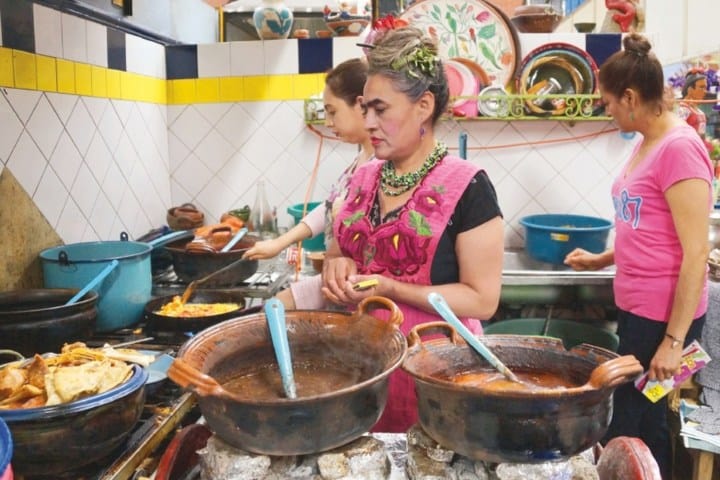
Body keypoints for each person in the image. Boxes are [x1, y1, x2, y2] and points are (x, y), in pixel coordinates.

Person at [321, 26, 504, 433]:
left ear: (423, 106)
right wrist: (335, 265)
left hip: (437, 378)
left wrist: (392, 289)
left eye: (380, 109)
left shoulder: (469, 186)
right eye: (364, 108)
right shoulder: (362, 178)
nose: (368, 121)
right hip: (363, 372)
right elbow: (339, 250)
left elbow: (482, 300)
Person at [564, 33, 713, 480]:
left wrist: (673, 340)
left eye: (609, 103)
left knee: (636, 424)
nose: (607, 112)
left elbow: (696, 254)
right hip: (638, 311)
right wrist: (603, 258)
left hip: (662, 321)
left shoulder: (679, 149)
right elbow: (647, 228)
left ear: (630, 97)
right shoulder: (646, 140)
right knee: (634, 421)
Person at [242, 58, 374, 309]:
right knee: (273, 311)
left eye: (333, 111)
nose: (328, 122)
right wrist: (279, 243)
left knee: (274, 311)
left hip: (357, 289)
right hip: (338, 282)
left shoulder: (381, 166)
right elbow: (327, 208)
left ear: (361, 105)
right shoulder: (360, 160)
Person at [677, 69, 708, 138]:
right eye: (701, 87)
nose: (705, 91)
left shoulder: (698, 110)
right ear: (690, 90)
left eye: (705, 88)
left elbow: (702, 134)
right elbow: (678, 133)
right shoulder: (684, 109)